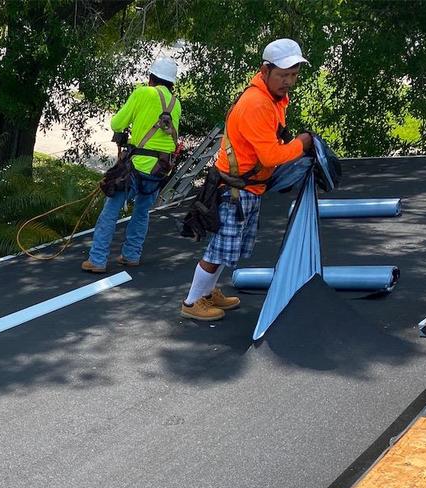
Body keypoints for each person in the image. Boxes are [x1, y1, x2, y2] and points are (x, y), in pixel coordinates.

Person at [179, 39, 314, 321]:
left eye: (294, 74)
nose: (289, 81)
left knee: (228, 247)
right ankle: (192, 302)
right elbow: (270, 156)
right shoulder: (258, 104)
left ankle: (207, 293)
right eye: (283, 74)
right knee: (218, 249)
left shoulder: (272, 98)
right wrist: (302, 144)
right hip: (234, 190)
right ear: (265, 70)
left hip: (244, 186)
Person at [82, 57, 182, 273]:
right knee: (142, 212)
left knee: (110, 211)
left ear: (151, 78)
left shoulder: (143, 93)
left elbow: (117, 123)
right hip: (159, 169)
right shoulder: (176, 104)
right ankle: (131, 255)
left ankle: (97, 260)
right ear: (171, 83)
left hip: (136, 167)